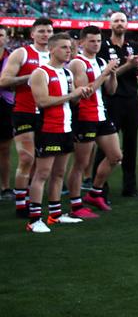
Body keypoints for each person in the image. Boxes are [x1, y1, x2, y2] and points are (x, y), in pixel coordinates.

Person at [25, 32, 92, 233]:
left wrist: (80, 95)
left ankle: (55, 215)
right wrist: (71, 94)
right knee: (42, 173)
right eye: (64, 47)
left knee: (59, 173)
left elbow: (71, 101)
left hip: (65, 127)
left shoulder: (67, 74)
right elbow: (42, 102)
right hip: (48, 128)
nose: (68, 51)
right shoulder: (40, 73)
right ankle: (34, 219)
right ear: (52, 49)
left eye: (70, 48)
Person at [0, 17, 53, 216]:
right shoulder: (22, 53)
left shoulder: (55, 55)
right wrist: (29, 78)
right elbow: (3, 80)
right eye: (41, 31)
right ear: (32, 34)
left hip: (48, 113)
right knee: (26, 157)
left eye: (48, 31)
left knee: (41, 160)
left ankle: (32, 197)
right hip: (24, 111)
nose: (45, 34)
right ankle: (21, 203)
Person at [67, 26, 121, 217]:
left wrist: (112, 73)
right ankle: (75, 205)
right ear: (81, 43)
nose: (96, 44)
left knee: (115, 156)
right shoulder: (78, 63)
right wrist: (106, 72)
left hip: (101, 115)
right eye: (92, 41)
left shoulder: (100, 61)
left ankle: (95, 193)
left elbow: (111, 90)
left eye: (98, 41)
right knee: (81, 164)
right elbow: (85, 91)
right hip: (84, 116)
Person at [101, 11, 138, 197]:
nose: (120, 24)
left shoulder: (132, 45)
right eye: (116, 21)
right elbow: (103, 77)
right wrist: (127, 66)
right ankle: (100, 188)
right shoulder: (103, 46)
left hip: (131, 100)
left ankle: (130, 187)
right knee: (106, 145)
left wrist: (137, 65)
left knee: (131, 144)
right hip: (112, 100)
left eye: (123, 21)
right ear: (110, 24)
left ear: (127, 24)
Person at [0, 26, 14, 200]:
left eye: (1, 35)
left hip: (5, 105)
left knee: (4, 149)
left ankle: (5, 187)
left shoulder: (12, 58)